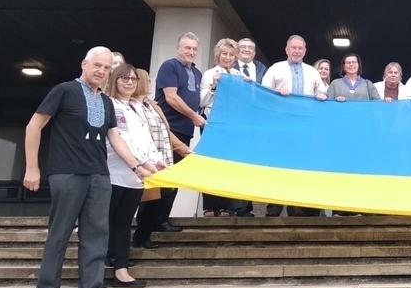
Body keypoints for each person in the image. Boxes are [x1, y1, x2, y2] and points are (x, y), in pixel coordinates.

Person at [24, 47, 155, 288]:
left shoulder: (107, 102)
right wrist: (32, 167)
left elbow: (116, 138)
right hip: (67, 172)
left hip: (99, 175)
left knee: (96, 237)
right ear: (84, 63)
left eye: (106, 68)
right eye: (97, 65)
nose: (101, 72)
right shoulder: (64, 90)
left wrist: (137, 166)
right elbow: (34, 126)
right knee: (59, 235)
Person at [135, 33, 202, 247]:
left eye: (194, 49)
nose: (190, 52)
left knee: (172, 182)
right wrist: (194, 116)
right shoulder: (169, 66)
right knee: (158, 181)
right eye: (187, 48)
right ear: (177, 48)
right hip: (165, 132)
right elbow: (171, 97)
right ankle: (142, 232)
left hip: (185, 132)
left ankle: (161, 220)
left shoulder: (197, 72)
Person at [104, 64, 166, 288]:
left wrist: (156, 159)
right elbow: (119, 138)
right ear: (115, 80)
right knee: (104, 223)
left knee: (122, 224)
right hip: (114, 173)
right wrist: (141, 162)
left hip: (137, 177)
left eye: (132, 79)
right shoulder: (109, 103)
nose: (129, 83)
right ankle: (98, 269)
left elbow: (146, 138)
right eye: (124, 79)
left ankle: (121, 270)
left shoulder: (137, 107)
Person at [260, 35, 322, 217]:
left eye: (300, 48)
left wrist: (321, 93)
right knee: (278, 164)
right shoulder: (275, 68)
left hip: (304, 126)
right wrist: (277, 93)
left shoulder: (312, 71)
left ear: (305, 51)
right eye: (293, 48)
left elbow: (322, 90)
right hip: (280, 125)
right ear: (286, 50)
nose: (296, 51)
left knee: (299, 165)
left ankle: (295, 205)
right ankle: (274, 204)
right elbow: (264, 92)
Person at [199, 38, 248, 217]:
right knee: (211, 165)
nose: (227, 57)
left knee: (229, 166)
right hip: (213, 124)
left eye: (231, 55)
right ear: (217, 55)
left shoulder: (239, 75)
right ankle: (211, 206)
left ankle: (228, 206)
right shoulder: (209, 73)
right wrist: (213, 85)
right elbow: (202, 101)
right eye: (224, 54)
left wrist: (248, 86)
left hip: (233, 126)